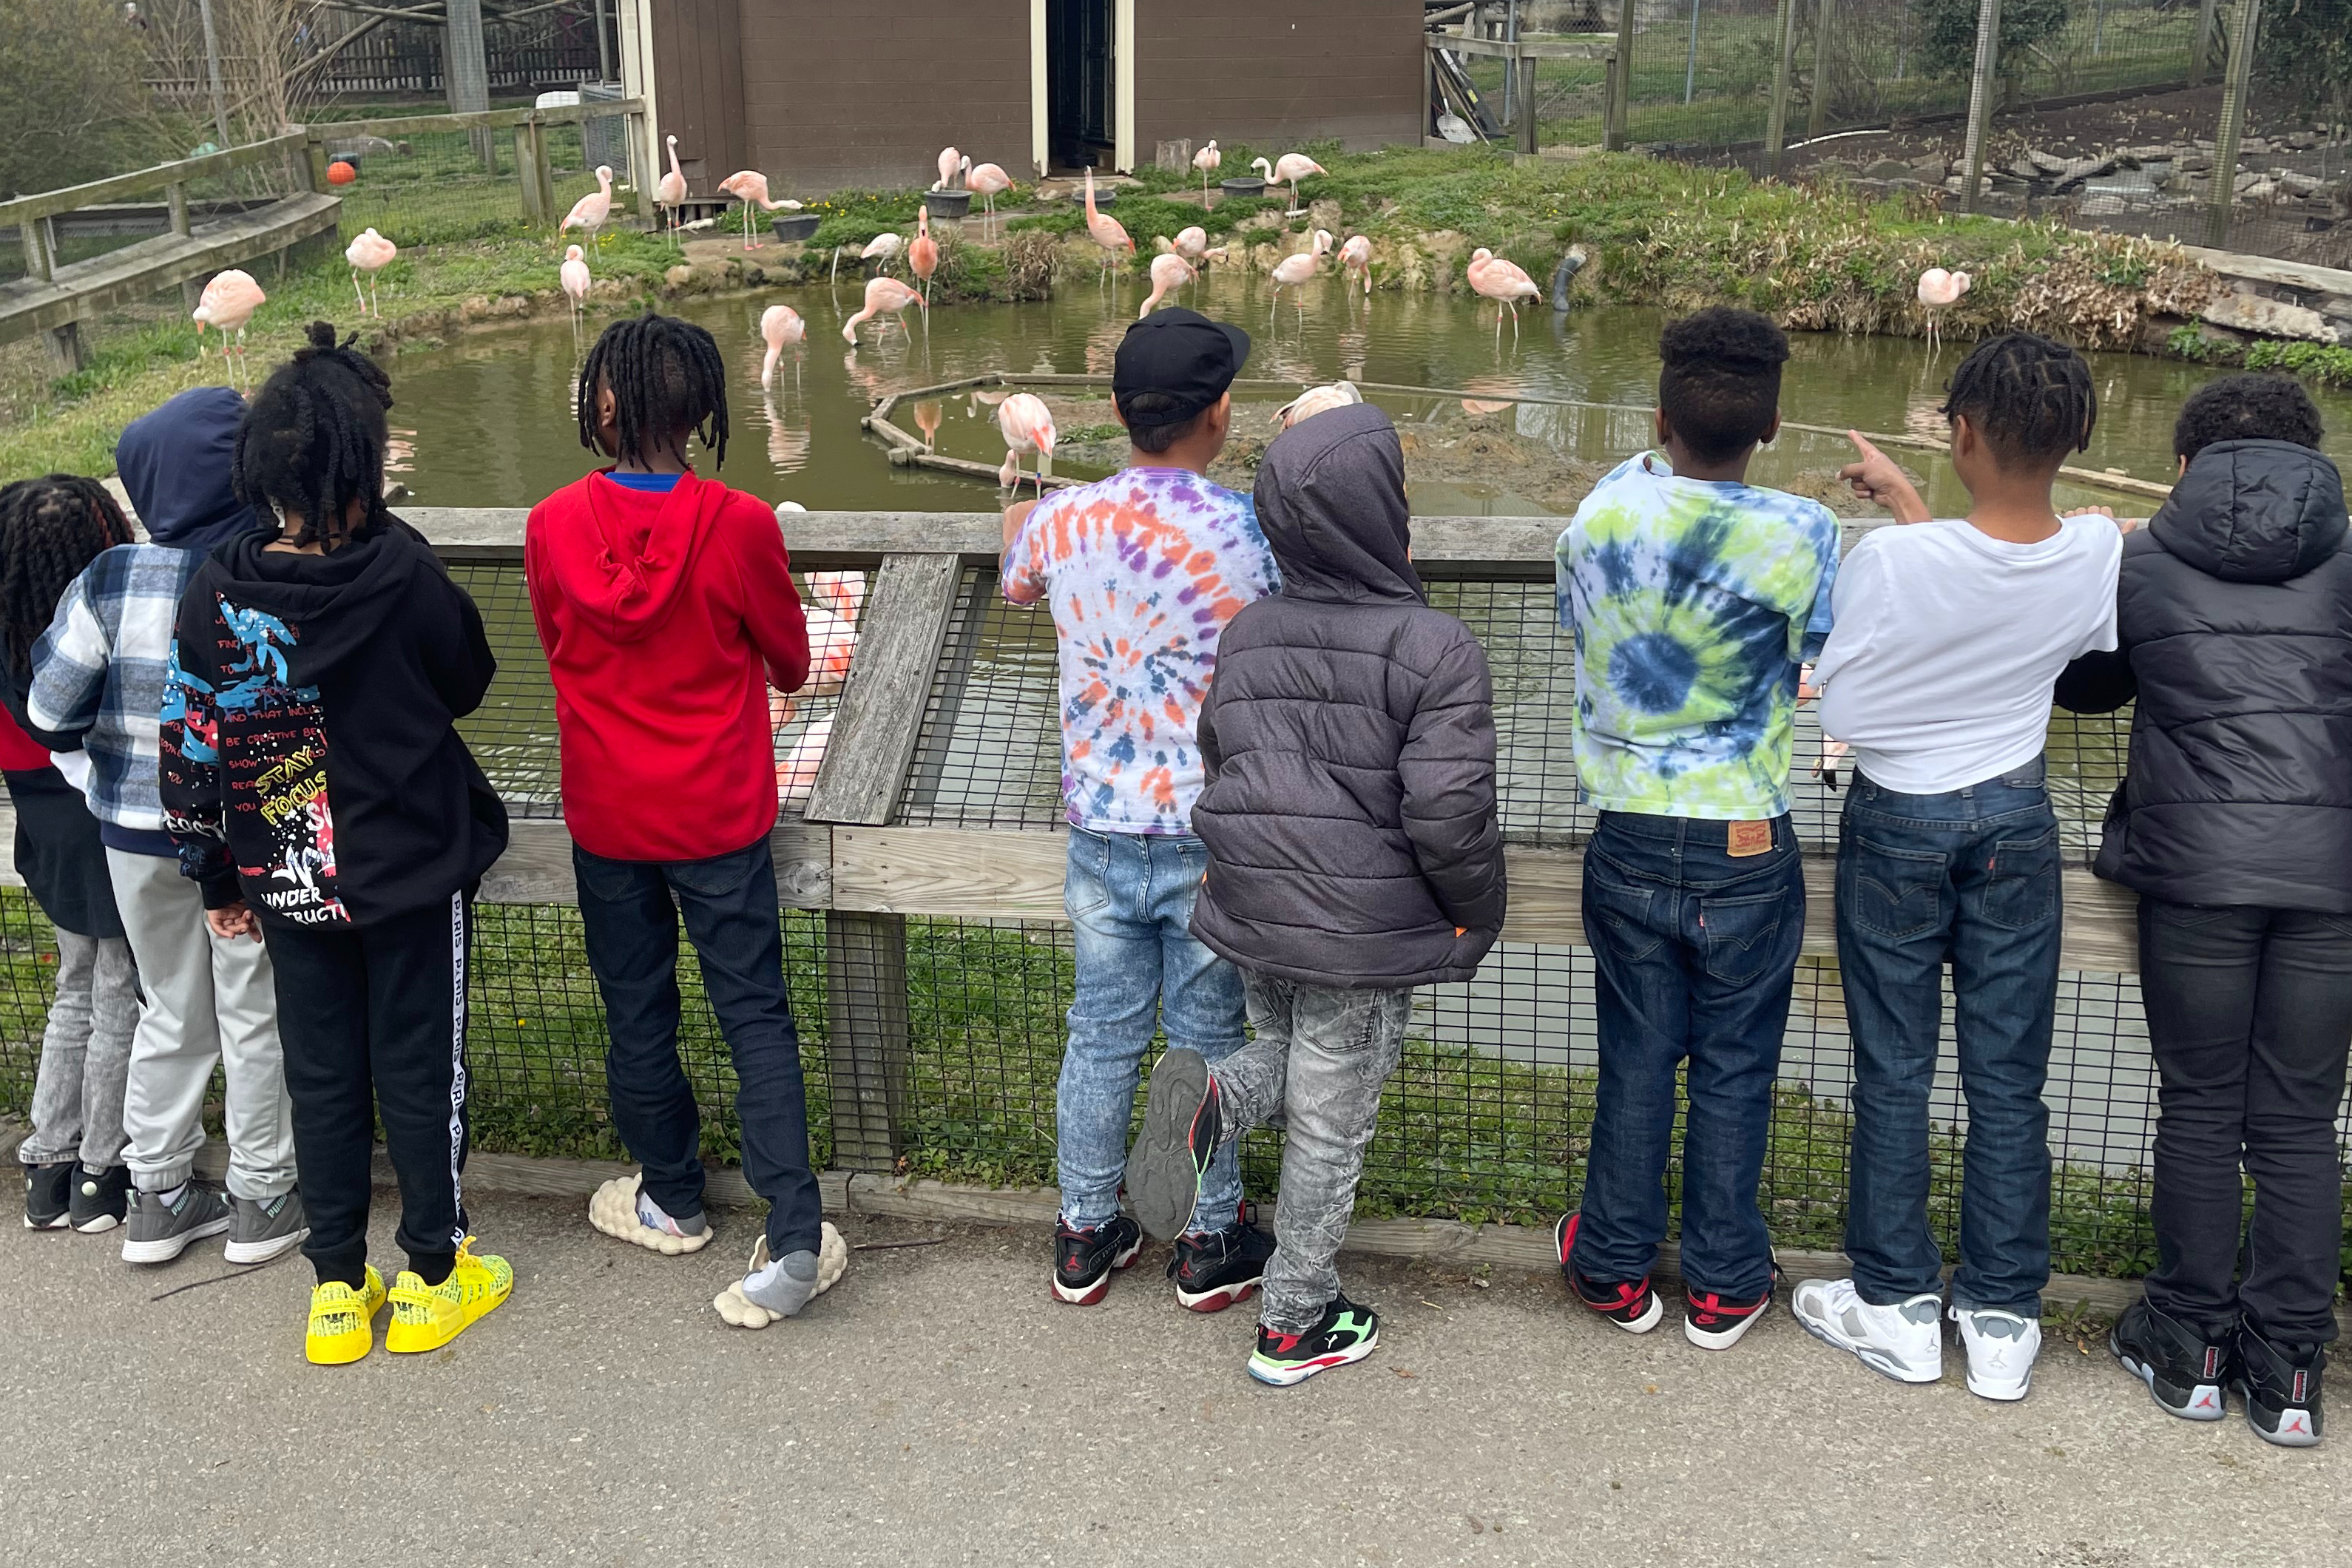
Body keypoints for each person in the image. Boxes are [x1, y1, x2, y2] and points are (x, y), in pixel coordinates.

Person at [1126, 401, 1506, 1385]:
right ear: (1379, 515)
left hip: (1255, 906)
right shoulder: (1436, 647)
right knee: (1334, 1122)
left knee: (1284, 1056)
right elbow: (1446, 811)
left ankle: (1213, 1096)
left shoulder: (1251, 632)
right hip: (1362, 931)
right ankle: (1297, 1320)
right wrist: (1475, 914)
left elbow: (1222, 756)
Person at [159, 323, 512, 1365]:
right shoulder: (399, 572)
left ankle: (335, 1291)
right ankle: (433, 1279)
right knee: (418, 1069)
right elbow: (467, 680)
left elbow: (191, 740)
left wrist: (213, 871)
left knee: (319, 1073)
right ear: (364, 462)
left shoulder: (217, 586)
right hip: (407, 869)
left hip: (286, 873)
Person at [1794, 332, 2122, 1403]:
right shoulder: (2099, 552)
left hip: (1900, 824)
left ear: (1963, 432)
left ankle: (1893, 1302)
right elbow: (2003, 591)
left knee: (1894, 1068)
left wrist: (1899, 519)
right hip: (2017, 823)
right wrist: (1908, 501)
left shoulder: (1891, 564)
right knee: (2008, 1076)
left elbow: (1843, 702)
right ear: (2075, 439)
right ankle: (2001, 1318)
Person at [526, 311, 840, 1328]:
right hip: (717, 812)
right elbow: (791, 661)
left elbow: (556, 642)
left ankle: (668, 1195)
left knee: (637, 1006)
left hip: (609, 811)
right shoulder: (741, 522)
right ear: (704, 408)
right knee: (753, 1011)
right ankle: (794, 1236)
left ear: (602, 406)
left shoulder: (550, 524)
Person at [2055, 373, 2347, 1447]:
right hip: (2332, 876)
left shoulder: (2147, 559)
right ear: (2313, 460)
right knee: (2299, 1121)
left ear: (2184, 464)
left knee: (2202, 1107)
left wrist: (2093, 560)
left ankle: (2189, 1343)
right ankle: (2290, 1373)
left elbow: (2082, 690)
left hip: (2198, 873)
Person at [1555, 307, 1838, 1350]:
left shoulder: (1600, 521)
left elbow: (1576, 608)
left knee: (1636, 1057)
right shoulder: (1806, 530)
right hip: (1747, 841)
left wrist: (1646, 460)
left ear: (1660, 415)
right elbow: (1823, 645)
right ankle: (1722, 1282)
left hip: (1628, 830)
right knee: (1735, 1065)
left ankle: (1613, 1266)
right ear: (1770, 425)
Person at [1001, 308, 1281, 1310]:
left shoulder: (1062, 520)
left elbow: (1016, 584)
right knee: (1206, 1039)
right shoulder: (1249, 528)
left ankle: (1084, 1230)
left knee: (1101, 1031)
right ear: (1221, 415)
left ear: (1116, 412)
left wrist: (1020, 517)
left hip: (1101, 826)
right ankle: (1208, 1241)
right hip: (1211, 831)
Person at [24, 413, 303, 1269]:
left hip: (134, 836)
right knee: (254, 1008)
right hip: (244, 833)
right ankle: (262, 1193)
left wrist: (91, 773)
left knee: (168, 1006)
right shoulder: (256, 572)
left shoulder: (109, 577)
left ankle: (157, 1192)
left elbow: (48, 706)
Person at [1, 478, 138, 1234]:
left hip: (39, 821)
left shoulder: (6, 635)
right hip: (102, 813)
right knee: (118, 991)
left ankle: (47, 1163)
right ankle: (99, 1172)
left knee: (74, 990)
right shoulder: (96, 631)